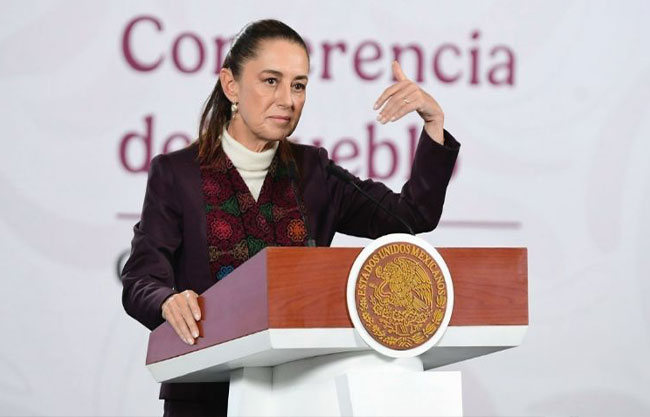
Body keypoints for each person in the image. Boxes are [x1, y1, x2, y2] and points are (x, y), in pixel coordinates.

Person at [121, 19, 460, 417]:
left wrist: (434, 123)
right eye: (271, 81)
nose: (287, 99)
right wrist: (167, 301)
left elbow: (410, 216)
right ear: (231, 85)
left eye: (298, 85)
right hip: (206, 396)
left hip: (301, 395)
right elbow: (141, 279)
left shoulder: (314, 171)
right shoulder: (177, 173)